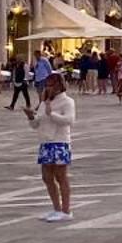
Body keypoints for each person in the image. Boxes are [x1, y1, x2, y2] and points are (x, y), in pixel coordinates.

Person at [29, 72, 76, 222]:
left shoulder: (67, 101)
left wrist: (52, 114)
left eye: (51, 85)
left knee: (61, 176)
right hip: (45, 142)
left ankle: (66, 210)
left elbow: (69, 120)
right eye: (47, 85)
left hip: (60, 141)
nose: (49, 88)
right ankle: (56, 208)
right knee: (47, 177)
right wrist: (31, 117)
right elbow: (37, 124)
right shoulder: (44, 102)